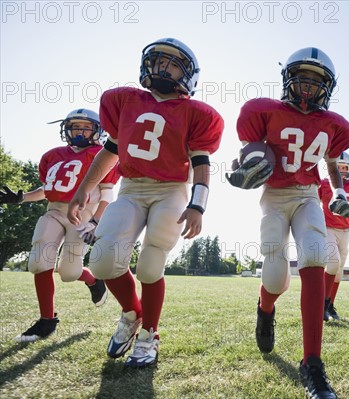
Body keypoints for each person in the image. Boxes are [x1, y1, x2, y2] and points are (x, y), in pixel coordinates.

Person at [67, 38, 224, 367]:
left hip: (171, 190)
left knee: (151, 265)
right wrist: (85, 188)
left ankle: (149, 335)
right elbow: (109, 151)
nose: (164, 68)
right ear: (147, 64)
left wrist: (198, 204)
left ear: (189, 75)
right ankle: (131, 314)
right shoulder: (125, 100)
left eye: (174, 63)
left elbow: (201, 164)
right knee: (103, 260)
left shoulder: (195, 113)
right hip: (132, 187)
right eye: (159, 61)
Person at [228, 47, 349, 399]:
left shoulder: (335, 125)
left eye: (316, 80)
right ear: (288, 79)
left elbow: (331, 164)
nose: (309, 86)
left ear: (327, 86)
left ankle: (312, 363)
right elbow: (251, 150)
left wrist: (339, 191)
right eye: (303, 77)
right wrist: (245, 167)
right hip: (275, 196)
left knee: (316, 255)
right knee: (274, 272)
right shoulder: (264, 110)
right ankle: (265, 310)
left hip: (309, 194)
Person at [0, 109, 119, 343]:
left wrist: (96, 221)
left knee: (69, 272)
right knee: (39, 260)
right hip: (54, 211)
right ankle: (46, 320)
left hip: (83, 215)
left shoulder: (102, 155)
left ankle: (94, 281)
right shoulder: (52, 155)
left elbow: (107, 195)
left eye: (85, 127)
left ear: (97, 130)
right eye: (75, 126)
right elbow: (48, 190)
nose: (79, 131)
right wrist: (21, 198)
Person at [318, 152, 349, 321]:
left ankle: (329, 305)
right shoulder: (323, 184)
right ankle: (321, 304)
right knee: (333, 261)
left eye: (345, 167)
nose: (342, 171)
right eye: (339, 167)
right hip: (327, 228)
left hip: (345, 232)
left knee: (338, 272)